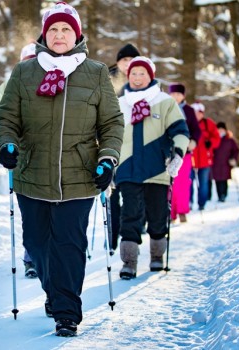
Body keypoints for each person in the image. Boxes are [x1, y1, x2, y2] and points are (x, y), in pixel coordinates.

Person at [0, 1, 123, 337]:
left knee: (68, 243)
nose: (59, 34)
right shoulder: (25, 72)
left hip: (80, 175)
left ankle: (67, 311)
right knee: (37, 243)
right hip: (31, 172)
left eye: (66, 28)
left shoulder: (94, 72)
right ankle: (54, 291)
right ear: (44, 34)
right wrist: (7, 144)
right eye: (53, 29)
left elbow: (111, 122)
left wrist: (107, 158)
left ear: (77, 34)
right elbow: (6, 117)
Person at [114, 57, 189, 279]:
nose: (137, 78)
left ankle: (157, 256)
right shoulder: (120, 104)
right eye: (134, 73)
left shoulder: (165, 102)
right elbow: (110, 137)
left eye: (142, 73)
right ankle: (129, 261)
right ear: (128, 76)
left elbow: (181, 132)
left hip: (157, 170)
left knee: (157, 216)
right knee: (130, 216)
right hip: (127, 171)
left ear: (151, 75)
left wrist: (178, 154)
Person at [0, 43, 38, 279]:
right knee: (31, 213)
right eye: (26, 60)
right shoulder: (8, 87)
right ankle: (32, 257)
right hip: (19, 160)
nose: (30, 64)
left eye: (34, 59)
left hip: (52, 159)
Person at [108, 43, 141, 252]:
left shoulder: (142, 79)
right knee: (113, 191)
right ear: (118, 62)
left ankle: (131, 233)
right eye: (124, 60)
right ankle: (112, 236)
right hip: (113, 141)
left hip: (135, 143)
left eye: (132, 60)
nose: (128, 64)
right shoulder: (107, 77)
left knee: (133, 193)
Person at [168, 83, 201, 223]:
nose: (175, 97)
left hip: (185, 152)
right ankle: (170, 212)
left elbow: (196, 129)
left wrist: (194, 141)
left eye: (178, 94)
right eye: (173, 94)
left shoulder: (188, 110)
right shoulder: (165, 107)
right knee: (169, 183)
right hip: (168, 150)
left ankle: (182, 211)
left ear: (183, 95)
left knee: (182, 182)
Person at [190, 101, 221, 211]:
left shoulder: (209, 124)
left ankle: (201, 203)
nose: (198, 115)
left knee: (203, 184)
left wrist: (210, 143)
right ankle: (189, 202)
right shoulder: (187, 123)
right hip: (190, 159)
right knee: (189, 182)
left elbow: (217, 138)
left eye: (200, 112)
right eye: (196, 112)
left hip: (205, 160)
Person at [212, 122, 239, 202]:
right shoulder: (214, 139)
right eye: (219, 129)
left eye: (222, 129)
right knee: (217, 180)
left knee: (224, 180)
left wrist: (233, 158)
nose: (220, 131)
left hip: (226, 163)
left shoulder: (229, 140)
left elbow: (236, 150)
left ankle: (224, 194)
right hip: (215, 163)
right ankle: (219, 195)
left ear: (225, 130)